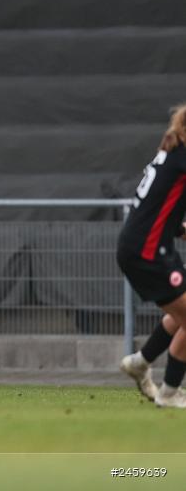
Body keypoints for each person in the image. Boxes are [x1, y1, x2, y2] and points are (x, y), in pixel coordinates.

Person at [117, 105, 186, 408]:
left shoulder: (173, 154)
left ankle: (141, 362)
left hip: (147, 247)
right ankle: (169, 393)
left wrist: (179, 229)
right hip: (148, 252)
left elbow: (159, 207)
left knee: (180, 315)